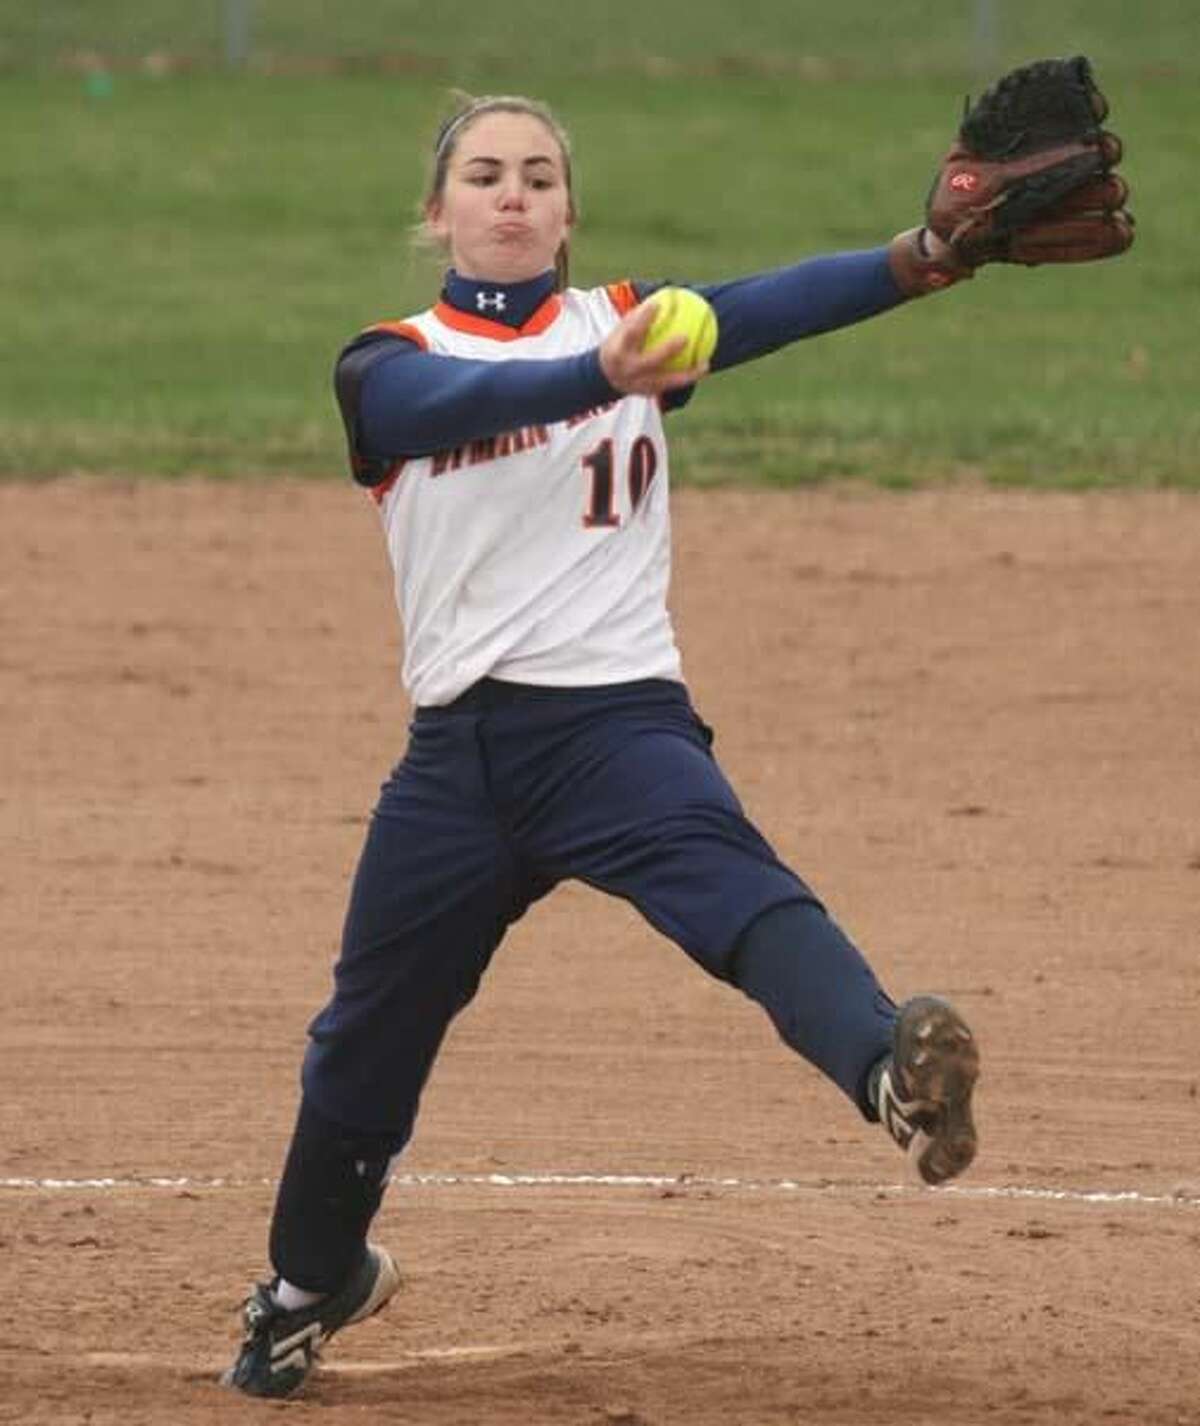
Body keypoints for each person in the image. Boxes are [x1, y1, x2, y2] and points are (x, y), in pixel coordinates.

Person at [223, 92, 985, 1398]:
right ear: (440, 211)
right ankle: (310, 1281)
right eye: (484, 174)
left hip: (618, 726)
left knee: (742, 895)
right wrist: (607, 375)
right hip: (457, 761)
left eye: (536, 175)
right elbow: (439, 408)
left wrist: (923, 255)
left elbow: (779, 300)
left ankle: (888, 1074)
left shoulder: (631, 317)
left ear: (568, 212)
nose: (511, 193)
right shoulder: (384, 358)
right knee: (364, 1040)